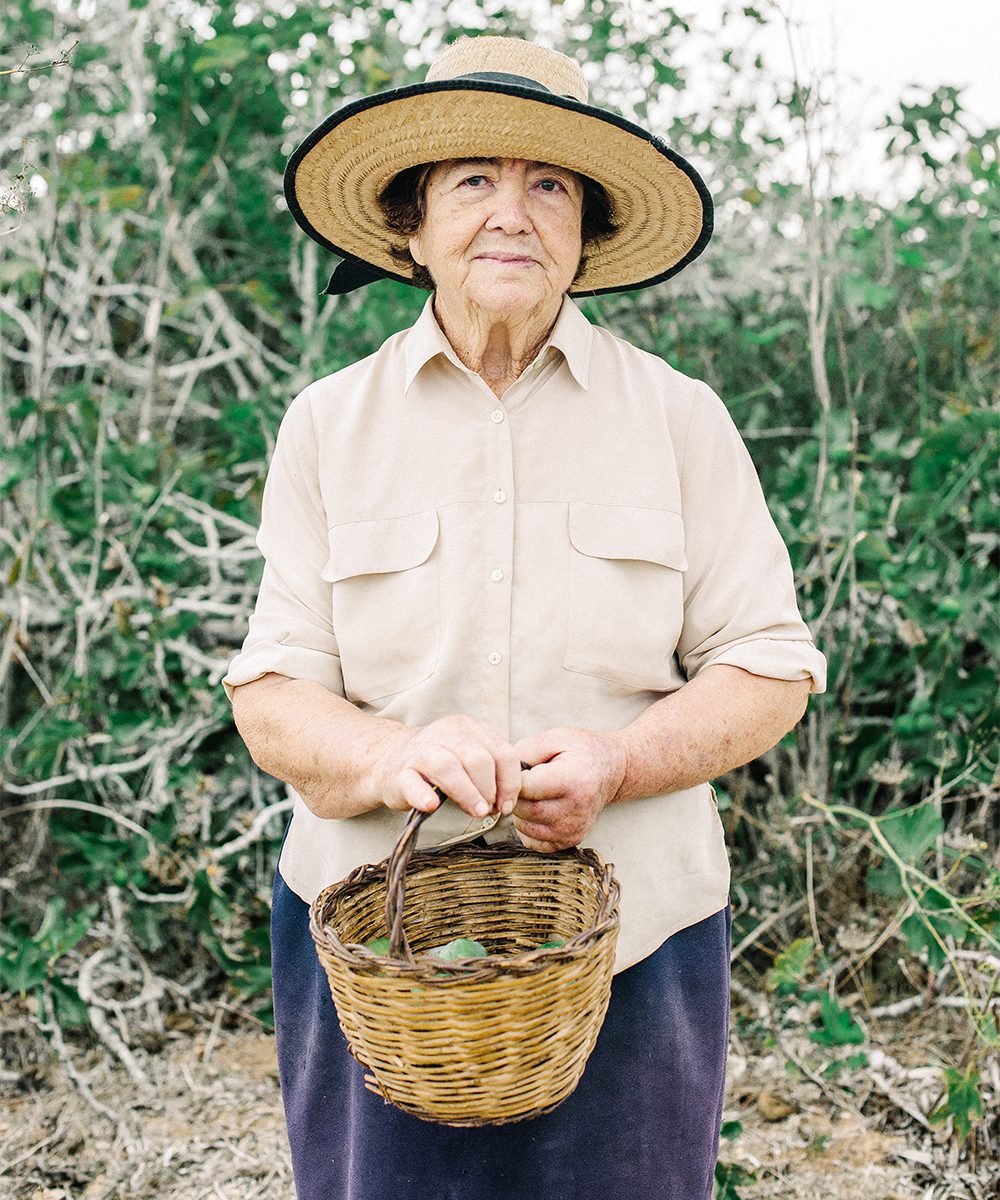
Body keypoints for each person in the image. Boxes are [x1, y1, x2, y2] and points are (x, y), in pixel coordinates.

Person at [223, 35, 826, 1200]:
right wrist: (393, 755)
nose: (513, 214)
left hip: (633, 950)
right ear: (411, 224)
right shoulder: (326, 426)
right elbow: (273, 698)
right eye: (472, 181)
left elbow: (770, 664)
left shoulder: (679, 418)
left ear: (588, 231)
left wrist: (621, 759)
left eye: (548, 183)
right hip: (369, 955)